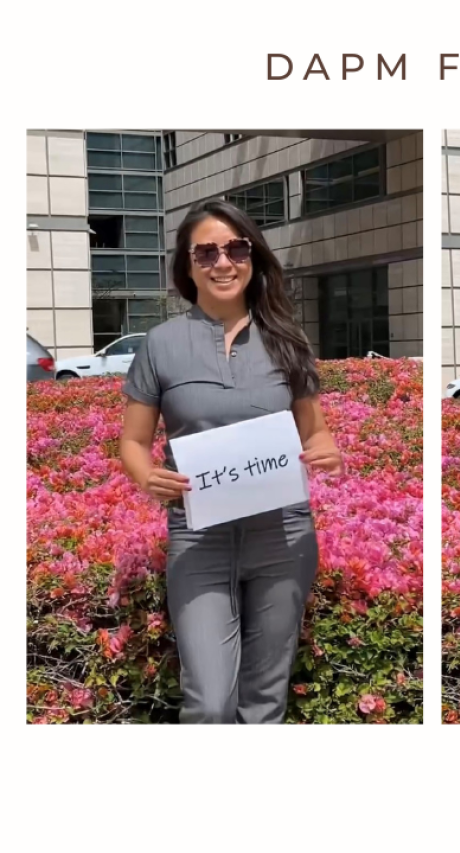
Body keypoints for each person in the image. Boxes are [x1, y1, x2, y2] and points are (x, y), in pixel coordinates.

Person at [119, 200, 343, 723]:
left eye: (236, 248)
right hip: (200, 537)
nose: (223, 262)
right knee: (210, 701)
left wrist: (326, 449)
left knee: (265, 699)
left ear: (253, 257)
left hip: (283, 536)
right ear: (187, 264)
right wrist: (147, 476)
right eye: (207, 252)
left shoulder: (288, 339)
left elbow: (315, 429)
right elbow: (132, 442)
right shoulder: (160, 345)